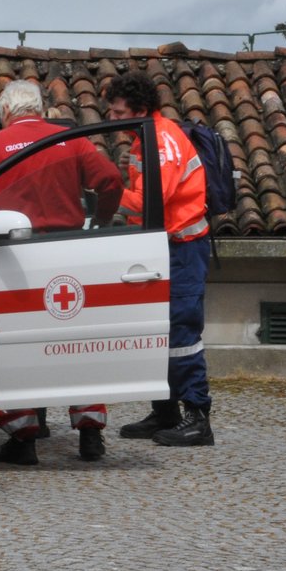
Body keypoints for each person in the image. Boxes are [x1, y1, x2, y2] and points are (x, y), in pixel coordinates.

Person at [0, 79, 124, 465]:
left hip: (14, 255)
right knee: (78, 342)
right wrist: (100, 221)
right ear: (40, 109)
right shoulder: (72, 141)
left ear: (4, 113)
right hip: (70, 250)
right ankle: (90, 434)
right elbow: (111, 181)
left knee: (18, 346)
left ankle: (24, 438)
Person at [105, 71, 215, 446]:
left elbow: (152, 200)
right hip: (166, 247)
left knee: (182, 331)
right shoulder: (144, 139)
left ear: (140, 109)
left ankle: (197, 417)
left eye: (120, 113)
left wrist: (104, 195)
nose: (113, 119)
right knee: (160, 328)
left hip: (183, 248)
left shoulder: (162, 141)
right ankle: (166, 412)